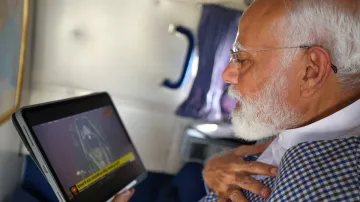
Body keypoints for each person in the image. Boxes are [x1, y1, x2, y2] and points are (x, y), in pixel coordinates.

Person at [200, 0, 360, 201]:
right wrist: (214, 173)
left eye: (242, 59)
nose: (227, 75)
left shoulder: (329, 188)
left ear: (311, 71)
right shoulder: (289, 117)